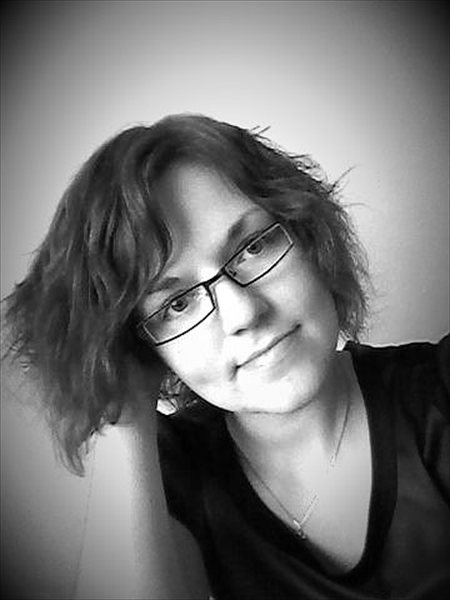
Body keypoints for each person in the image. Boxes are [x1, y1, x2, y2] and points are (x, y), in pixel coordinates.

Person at [2, 113, 449, 599]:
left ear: (308, 237)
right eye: (177, 304)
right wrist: (122, 409)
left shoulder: (437, 390)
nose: (243, 313)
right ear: (139, 345)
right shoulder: (169, 477)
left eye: (254, 247)